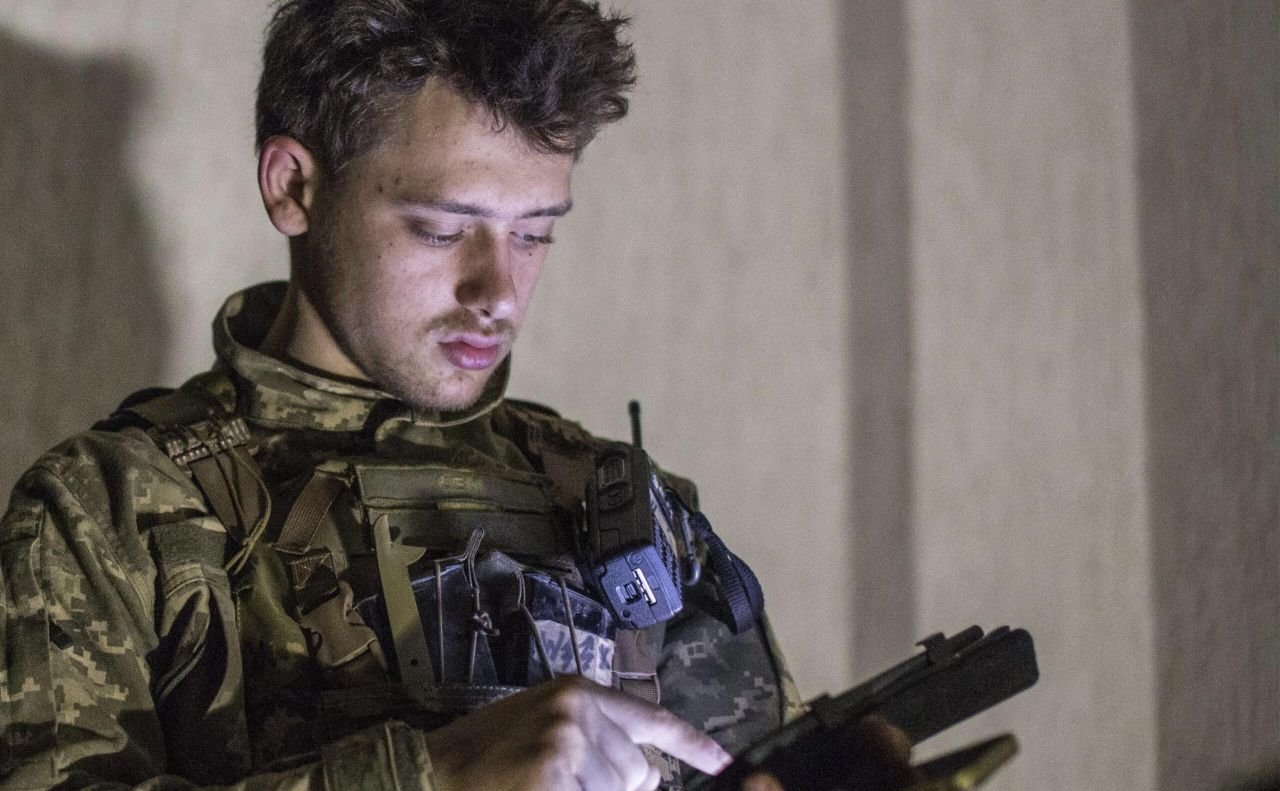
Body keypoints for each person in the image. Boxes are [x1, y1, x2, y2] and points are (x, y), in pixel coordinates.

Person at [0, 2, 892, 790]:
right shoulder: (114, 509)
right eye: (441, 228)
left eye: (534, 235)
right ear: (294, 185)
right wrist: (435, 774)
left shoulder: (611, 500)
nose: (498, 292)